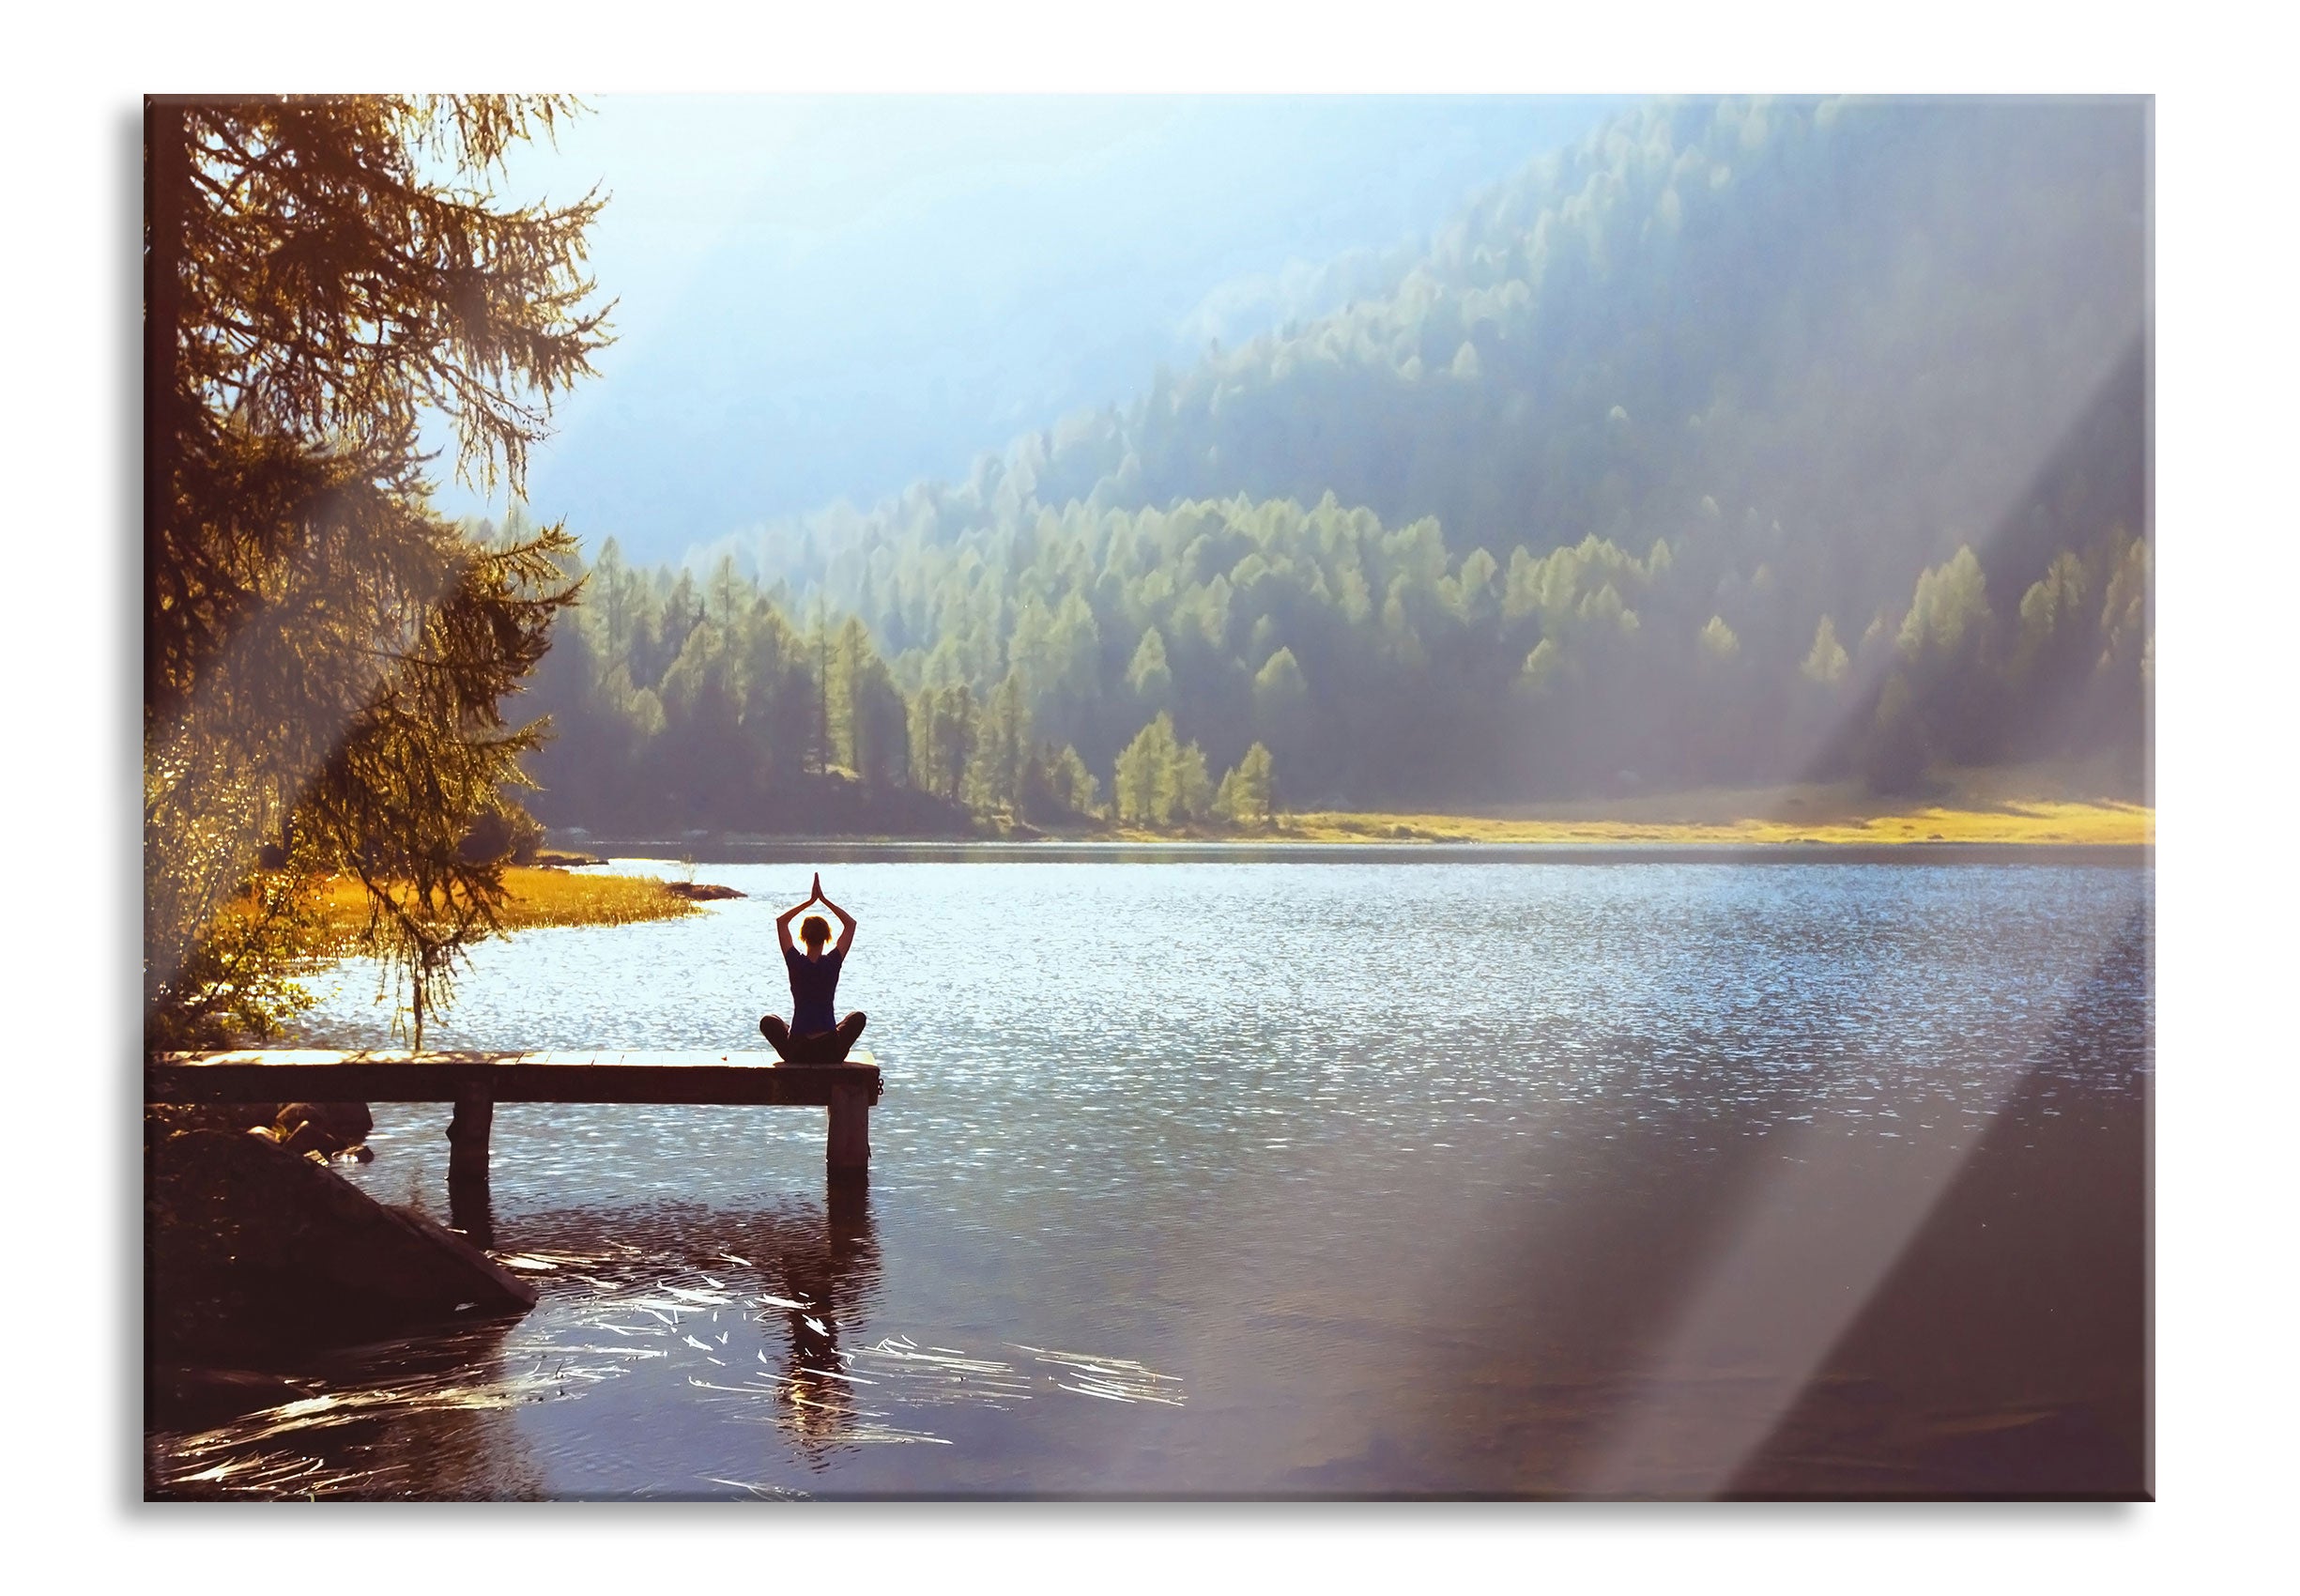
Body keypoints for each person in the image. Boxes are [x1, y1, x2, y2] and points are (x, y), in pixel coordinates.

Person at [761, 872, 867, 1063]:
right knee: (857, 1017)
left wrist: (809, 902)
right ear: (827, 937)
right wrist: (824, 900)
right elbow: (850, 925)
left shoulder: (795, 962)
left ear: (802, 937)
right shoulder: (832, 962)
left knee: (769, 1021)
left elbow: (781, 922)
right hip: (829, 1051)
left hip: (797, 1050)